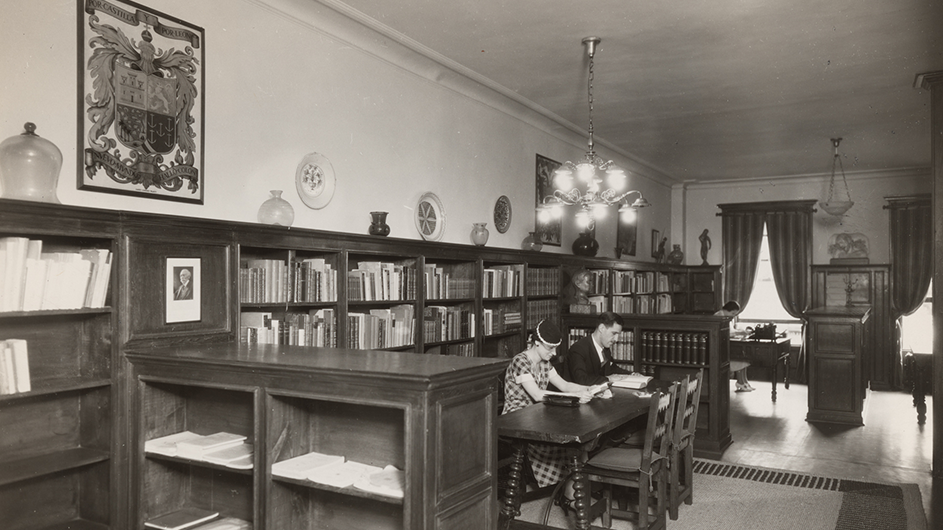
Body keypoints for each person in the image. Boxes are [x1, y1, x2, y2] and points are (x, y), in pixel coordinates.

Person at [502, 319, 598, 510]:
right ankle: (568, 494)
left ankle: (569, 493)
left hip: (537, 414)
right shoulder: (520, 361)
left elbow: (565, 386)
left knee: (578, 441)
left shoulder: (545, 362)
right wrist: (576, 396)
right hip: (517, 418)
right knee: (569, 442)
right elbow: (537, 395)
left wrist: (591, 388)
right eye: (550, 348)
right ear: (536, 343)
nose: (553, 353)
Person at [566, 311, 633, 386]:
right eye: (614, 333)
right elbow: (582, 380)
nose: (616, 339)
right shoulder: (578, 349)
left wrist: (632, 374)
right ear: (602, 328)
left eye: (618, 335)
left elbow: (612, 368)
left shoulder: (605, 348)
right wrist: (608, 379)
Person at [715, 300, 753, 392]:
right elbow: (727, 333)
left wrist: (740, 332)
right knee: (740, 360)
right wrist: (741, 332)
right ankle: (741, 382)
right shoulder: (719, 316)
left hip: (727, 345)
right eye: (732, 313)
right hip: (719, 348)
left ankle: (744, 382)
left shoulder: (727, 316)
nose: (733, 316)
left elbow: (731, 331)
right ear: (727, 310)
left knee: (745, 359)